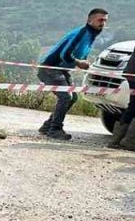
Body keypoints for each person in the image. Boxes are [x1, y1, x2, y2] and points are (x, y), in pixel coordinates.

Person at [37, 8, 108, 141]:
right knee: (66, 97)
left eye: (105, 20)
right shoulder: (82, 33)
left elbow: (80, 54)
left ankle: (47, 126)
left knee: (73, 97)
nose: (103, 23)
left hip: (61, 70)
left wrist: (84, 62)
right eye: (100, 20)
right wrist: (78, 62)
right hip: (50, 68)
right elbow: (65, 54)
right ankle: (55, 129)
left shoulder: (91, 34)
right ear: (89, 20)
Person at [109, 47, 135, 150]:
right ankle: (130, 142)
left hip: (131, 73)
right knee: (133, 107)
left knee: (132, 107)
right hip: (134, 74)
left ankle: (116, 140)